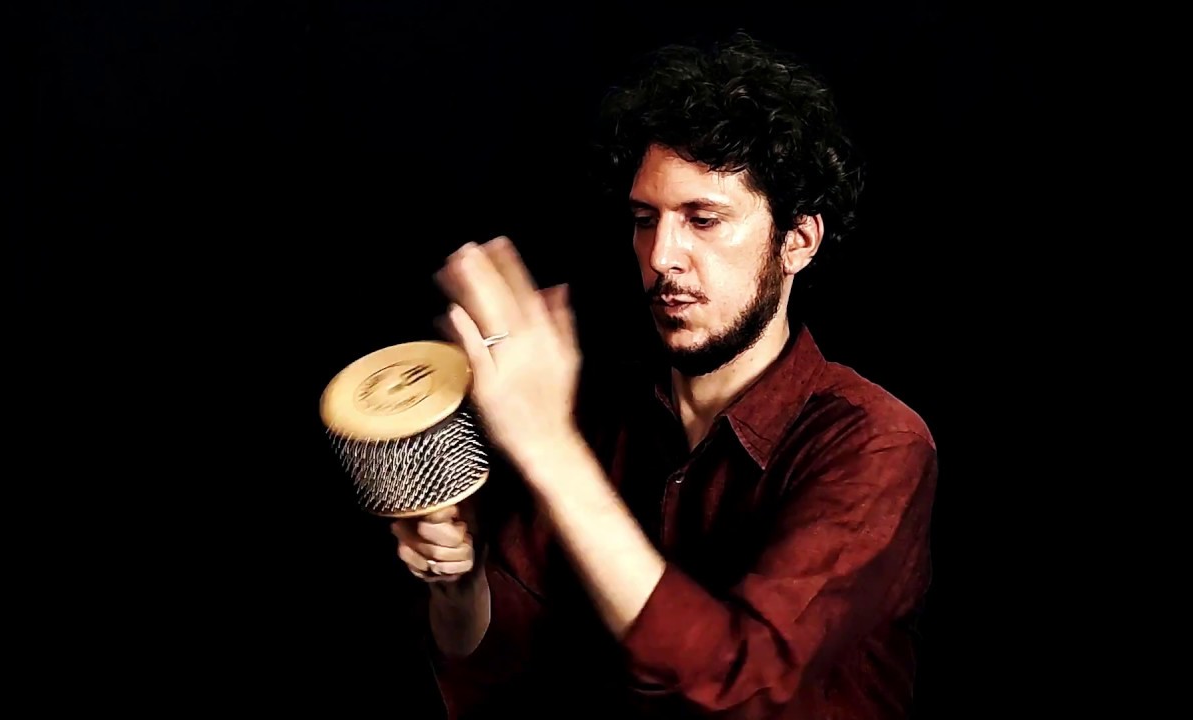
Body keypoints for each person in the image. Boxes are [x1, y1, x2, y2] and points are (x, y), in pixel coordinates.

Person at [390, 32, 937, 719]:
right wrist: (459, 584)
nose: (660, 257)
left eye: (703, 220)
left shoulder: (876, 442)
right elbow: (496, 659)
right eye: (645, 219)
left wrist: (548, 449)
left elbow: (742, 682)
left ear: (797, 241)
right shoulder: (604, 415)